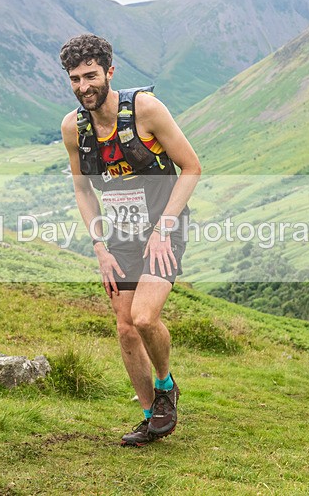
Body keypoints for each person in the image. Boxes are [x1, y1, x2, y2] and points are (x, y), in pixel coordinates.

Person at [59, 34, 201, 446]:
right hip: (119, 235)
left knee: (143, 318)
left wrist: (164, 227)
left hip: (163, 228)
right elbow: (84, 190)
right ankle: (149, 417)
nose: (84, 86)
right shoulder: (74, 128)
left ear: (109, 72)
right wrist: (99, 247)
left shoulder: (145, 110)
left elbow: (191, 167)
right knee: (125, 330)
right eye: (75, 79)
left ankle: (165, 387)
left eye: (91, 76)